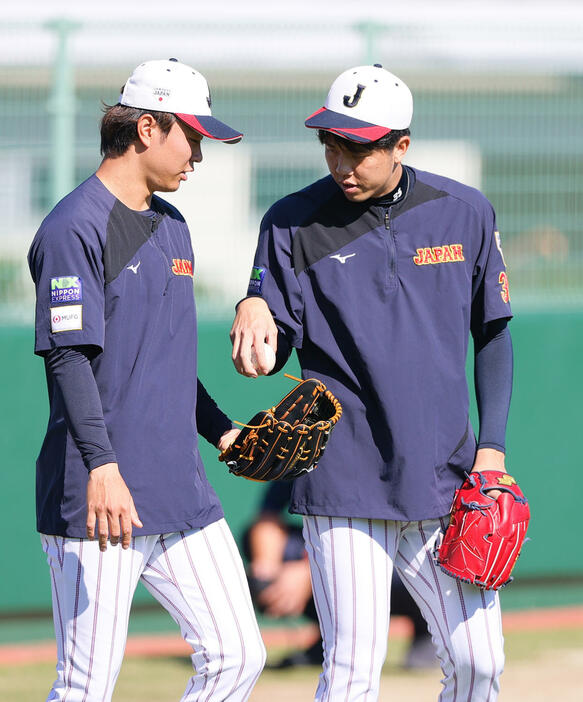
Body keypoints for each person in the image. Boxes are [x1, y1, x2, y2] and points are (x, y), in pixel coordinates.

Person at [230, 64, 513, 701]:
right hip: (343, 479)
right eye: (333, 144)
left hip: (444, 478)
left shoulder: (463, 211)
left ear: (401, 146)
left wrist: (491, 450)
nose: (343, 161)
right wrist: (255, 317)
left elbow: (493, 334)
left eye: (360, 147)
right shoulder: (291, 221)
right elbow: (271, 349)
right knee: (353, 673)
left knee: (480, 663)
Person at [28, 58, 265, 702]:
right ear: (147, 130)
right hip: (99, 497)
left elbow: (164, 359)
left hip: (178, 490)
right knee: (84, 688)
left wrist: (222, 433)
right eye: (192, 136)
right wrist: (101, 466)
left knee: (239, 655)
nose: (199, 154)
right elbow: (68, 357)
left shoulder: (173, 225)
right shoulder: (73, 227)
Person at [243, 482, 436, 670]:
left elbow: (402, 528)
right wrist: (266, 570)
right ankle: (333, 636)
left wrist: (310, 569)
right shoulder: (311, 454)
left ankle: (428, 629)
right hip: (331, 550)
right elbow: (268, 516)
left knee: (409, 562)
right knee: (260, 544)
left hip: (398, 552)